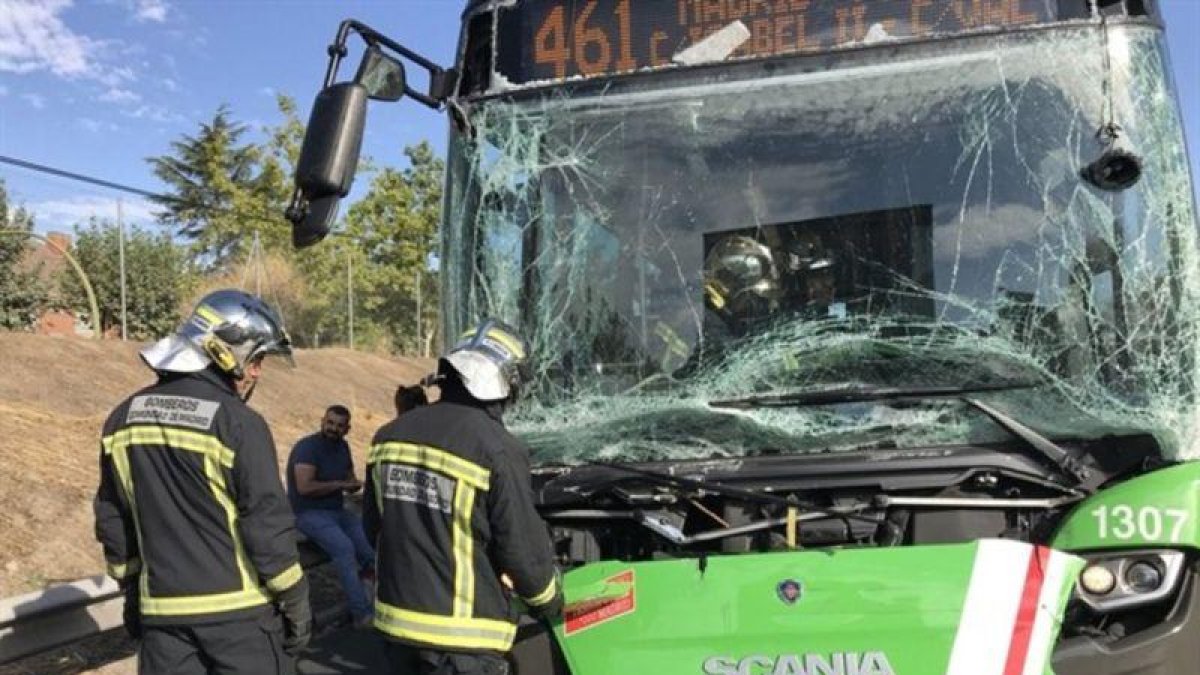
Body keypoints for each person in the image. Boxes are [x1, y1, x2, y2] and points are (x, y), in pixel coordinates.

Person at [93, 289, 311, 675]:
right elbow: (266, 523)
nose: (257, 371)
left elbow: (113, 519)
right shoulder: (238, 422)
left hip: (163, 621)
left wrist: (131, 590)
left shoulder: (122, 419)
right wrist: (295, 601)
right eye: (257, 358)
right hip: (239, 620)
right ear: (224, 351)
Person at [364, 319, 563, 675]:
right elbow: (521, 553)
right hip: (463, 642)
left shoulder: (388, 437)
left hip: (395, 631)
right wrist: (549, 601)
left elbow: (374, 529)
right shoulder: (497, 448)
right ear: (506, 382)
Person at [286, 405, 376, 628]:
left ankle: (370, 600)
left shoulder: (343, 447)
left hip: (337, 510)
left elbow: (348, 478)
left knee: (369, 549)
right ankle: (360, 613)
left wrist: (353, 485)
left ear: (347, 429)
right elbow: (304, 487)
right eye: (330, 423)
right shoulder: (308, 447)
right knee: (344, 548)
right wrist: (340, 485)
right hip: (308, 512)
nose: (333, 429)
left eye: (339, 426)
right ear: (322, 421)